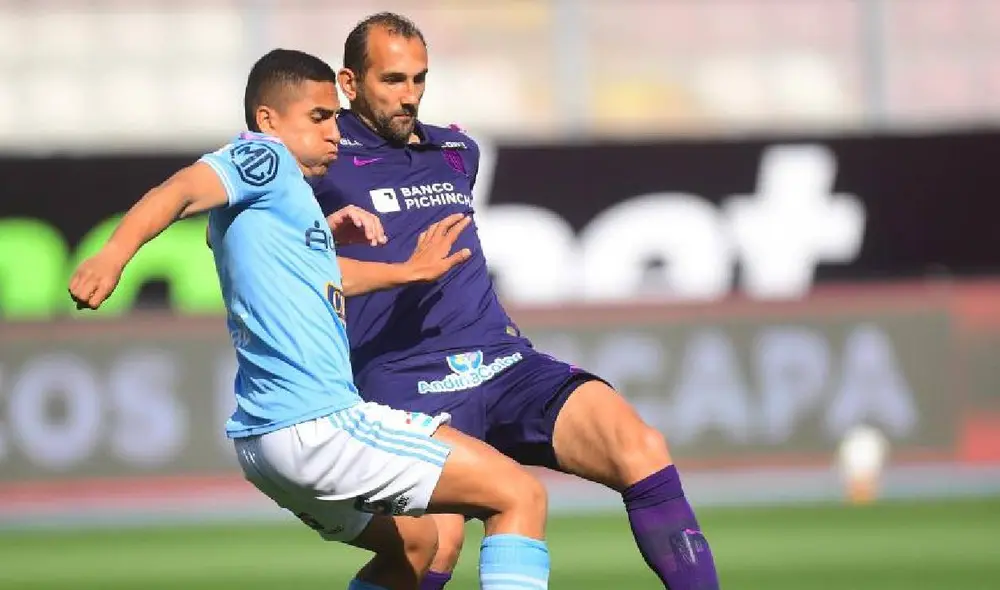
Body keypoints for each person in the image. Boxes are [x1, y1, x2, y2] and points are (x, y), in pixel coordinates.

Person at [68, 48, 551, 590]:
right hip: (318, 427)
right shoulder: (264, 160)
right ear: (268, 120)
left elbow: (320, 277)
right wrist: (113, 255)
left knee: (414, 546)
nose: (335, 133)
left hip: (265, 447)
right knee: (518, 494)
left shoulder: (282, 203)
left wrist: (402, 270)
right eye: (319, 117)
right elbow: (180, 190)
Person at [313, 13, 721, 590]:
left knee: (640, 445)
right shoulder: (318, 158)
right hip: (400, 381)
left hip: (501, 362)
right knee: (435, 545)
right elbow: (241, 238)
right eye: (393, 81)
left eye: (419, 80)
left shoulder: (455, 151)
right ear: (349, 84)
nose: (410, 97)